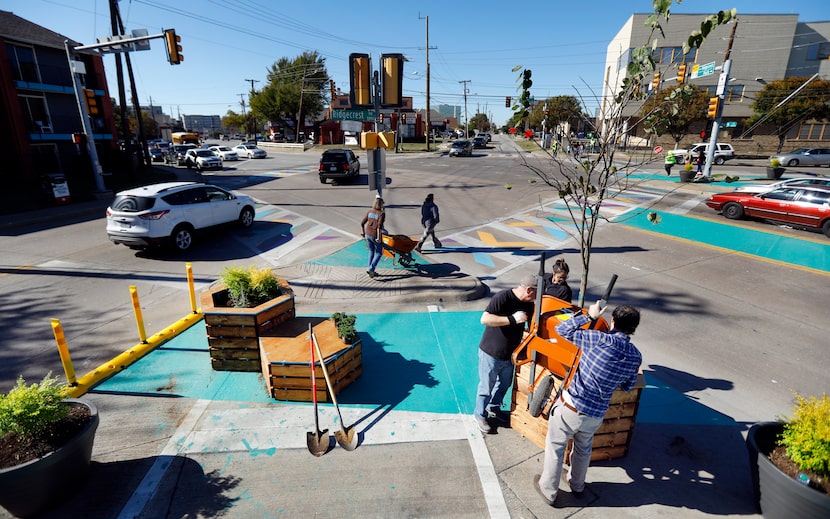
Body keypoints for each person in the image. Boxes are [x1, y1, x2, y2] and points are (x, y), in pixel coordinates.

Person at [534, 302, 642, 507]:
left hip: (572, 406)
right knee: (583, 449)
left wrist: (590, 316)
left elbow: (561, 329)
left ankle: (548, 491)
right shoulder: (636, 356)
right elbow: (628, 387)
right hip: (596, 413)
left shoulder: (598, 339)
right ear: (634, 328)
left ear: (612, 321)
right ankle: (578, 485)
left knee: (556, 447)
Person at [475, 274, 537, 434]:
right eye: (536, 293)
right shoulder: (503, 297)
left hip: (510, 355)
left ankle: (494, 407)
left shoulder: (529, 305)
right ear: (529, 290)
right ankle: (480, 415)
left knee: (504, 384)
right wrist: (511, 319)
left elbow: (531, 328)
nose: (536, 297)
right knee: (486, 387)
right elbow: (485, 319)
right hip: (491, 353)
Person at [360, 196, 385, 278]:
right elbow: (379, 227)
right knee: (379, 253)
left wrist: (363, 233)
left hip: (367, 234)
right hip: (375, 235)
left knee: (371, 251)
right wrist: (378, 237)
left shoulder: (369, 211)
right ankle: (371, 268)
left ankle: (370, 270)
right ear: (381, 204)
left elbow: (362, 223)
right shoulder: (381, 213)